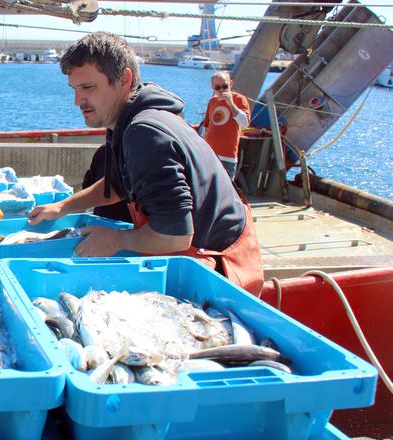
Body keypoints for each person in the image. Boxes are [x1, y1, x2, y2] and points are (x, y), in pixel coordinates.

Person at [28, 32, 263, 295]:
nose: (77, 101)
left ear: (123, 80)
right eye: (75, 89)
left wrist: (116, 240)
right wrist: (63, 207)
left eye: (89, 88)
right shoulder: (130, 121)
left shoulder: (146, 132)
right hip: (193, 256)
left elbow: (175, 235)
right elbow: (118, 184)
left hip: (218, 272)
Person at [201, 71, 250, 180]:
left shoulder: (239, 99)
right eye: (218, 87)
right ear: (213, 87)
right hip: (210, 154)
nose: (222, 90)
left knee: (226, 191)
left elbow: (244, 123)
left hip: (227, 156)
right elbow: (206, 127)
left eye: (225, 86)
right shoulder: (212, 101)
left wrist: (230, 103)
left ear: (231, 84)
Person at [81, 144, 131, 223]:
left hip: (134, 232)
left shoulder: (148, 159)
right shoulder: (103, 152)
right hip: (98, 228)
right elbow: (85, 189)